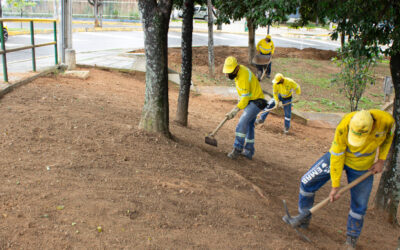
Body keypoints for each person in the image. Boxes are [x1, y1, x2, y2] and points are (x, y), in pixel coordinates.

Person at [295, 109, 394, 249]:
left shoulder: (386, 122)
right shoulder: (344, 125)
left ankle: (351, 240)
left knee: (360, 205)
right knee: (307, 181)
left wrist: (381, 160)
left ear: (372, 127)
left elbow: (388, 138)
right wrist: (335, 187)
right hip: (337, 158)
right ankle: (302, 219)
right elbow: (337, 156)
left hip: (363, 166)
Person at [222, 56, 267, 160]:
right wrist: (239, 103)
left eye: (229, 72)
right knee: (249, 125)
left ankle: (237, 148)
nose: (226, 75)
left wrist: (235, 110)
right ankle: (249, 151)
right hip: (253, 99)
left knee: (242, 123)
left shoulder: (243, 77)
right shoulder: (239, 71)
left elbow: (245, 98)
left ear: (236, 68)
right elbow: (243, 94)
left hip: (257, 101)